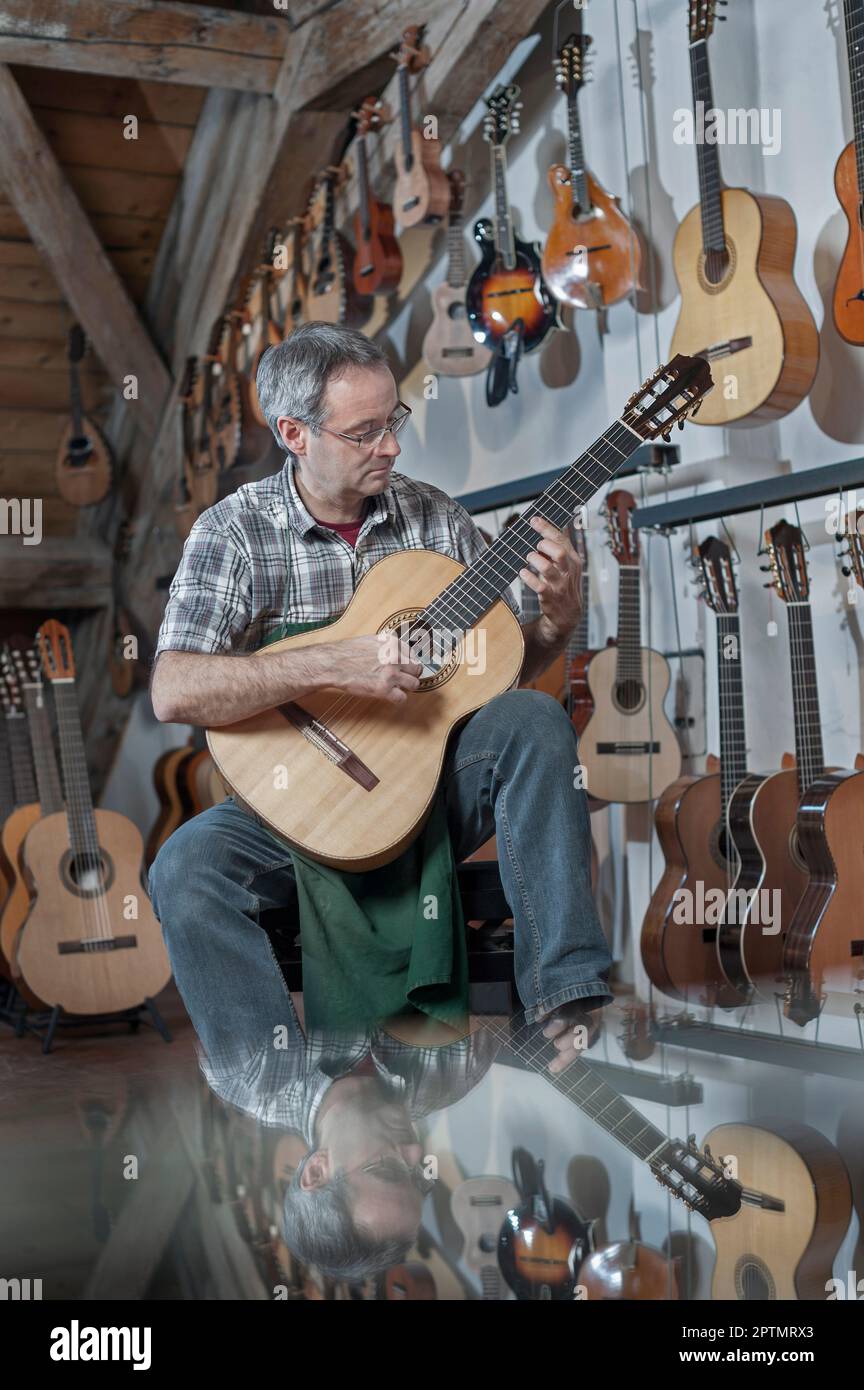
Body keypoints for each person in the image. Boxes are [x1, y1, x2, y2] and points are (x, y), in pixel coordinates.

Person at [148, 322, 612, 1060]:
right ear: (295, 434)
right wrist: (334, 664)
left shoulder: (434, 517)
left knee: (530, 717)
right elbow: (173, 690)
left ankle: (566, 1004)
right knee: (184, 868)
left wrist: (557, 621)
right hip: (295, 802)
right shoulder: (233, 533)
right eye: (365, 432)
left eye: (393, 421)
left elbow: (496, 676)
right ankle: (279, 1092)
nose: (391, 447)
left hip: (426, 792)